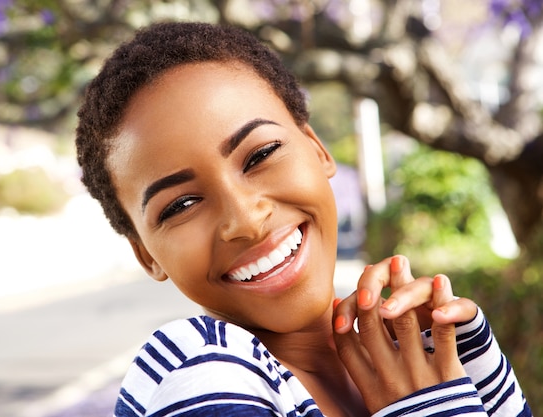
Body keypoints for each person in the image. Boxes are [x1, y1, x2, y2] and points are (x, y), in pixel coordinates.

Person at [75, 22, 531, 416]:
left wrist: (465, 366)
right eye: (180, 205)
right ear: (145, 254)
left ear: (317, 150)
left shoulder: (424, 360)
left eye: (261, 155)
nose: (247, 220)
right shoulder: (206, 378)